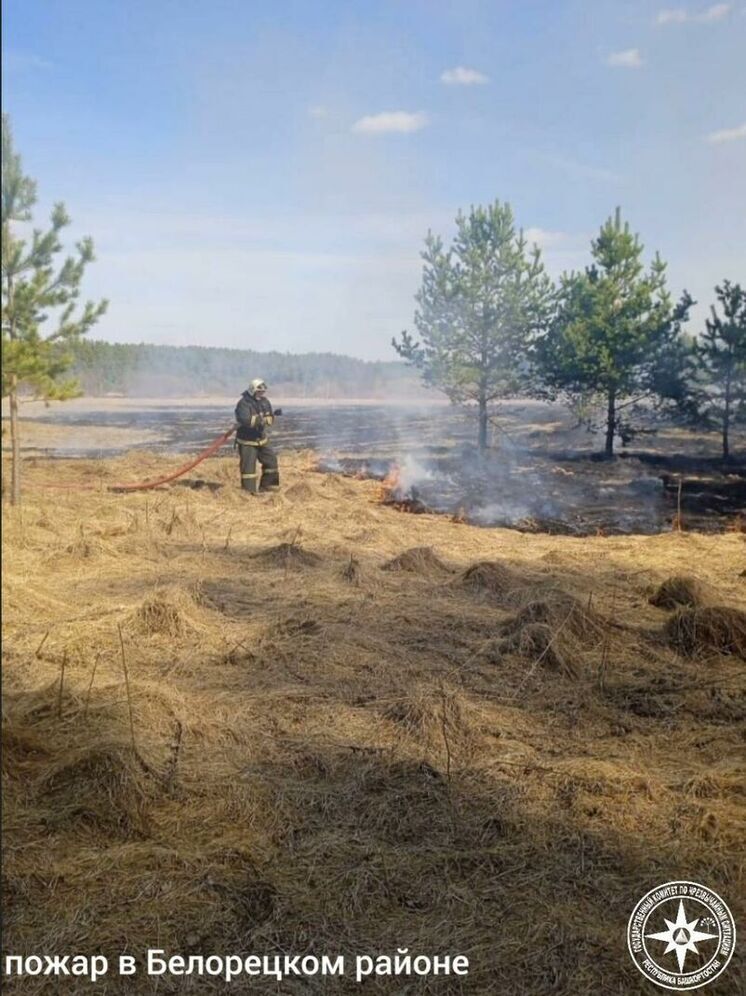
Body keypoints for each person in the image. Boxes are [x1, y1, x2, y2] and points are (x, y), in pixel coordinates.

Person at [234, 379, 283, 493]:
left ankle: (268, 487)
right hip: (247, 441)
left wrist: (268, 418)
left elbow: (269, 418)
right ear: (252, 390)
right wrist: (260, 419)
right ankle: (248, 493)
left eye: (263, 392)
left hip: (261, 439)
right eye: (259, 391)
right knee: (249, 469)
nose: (261, 394)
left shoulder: (265, 402)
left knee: (271, 460)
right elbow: (246, 420)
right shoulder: (243, 403)